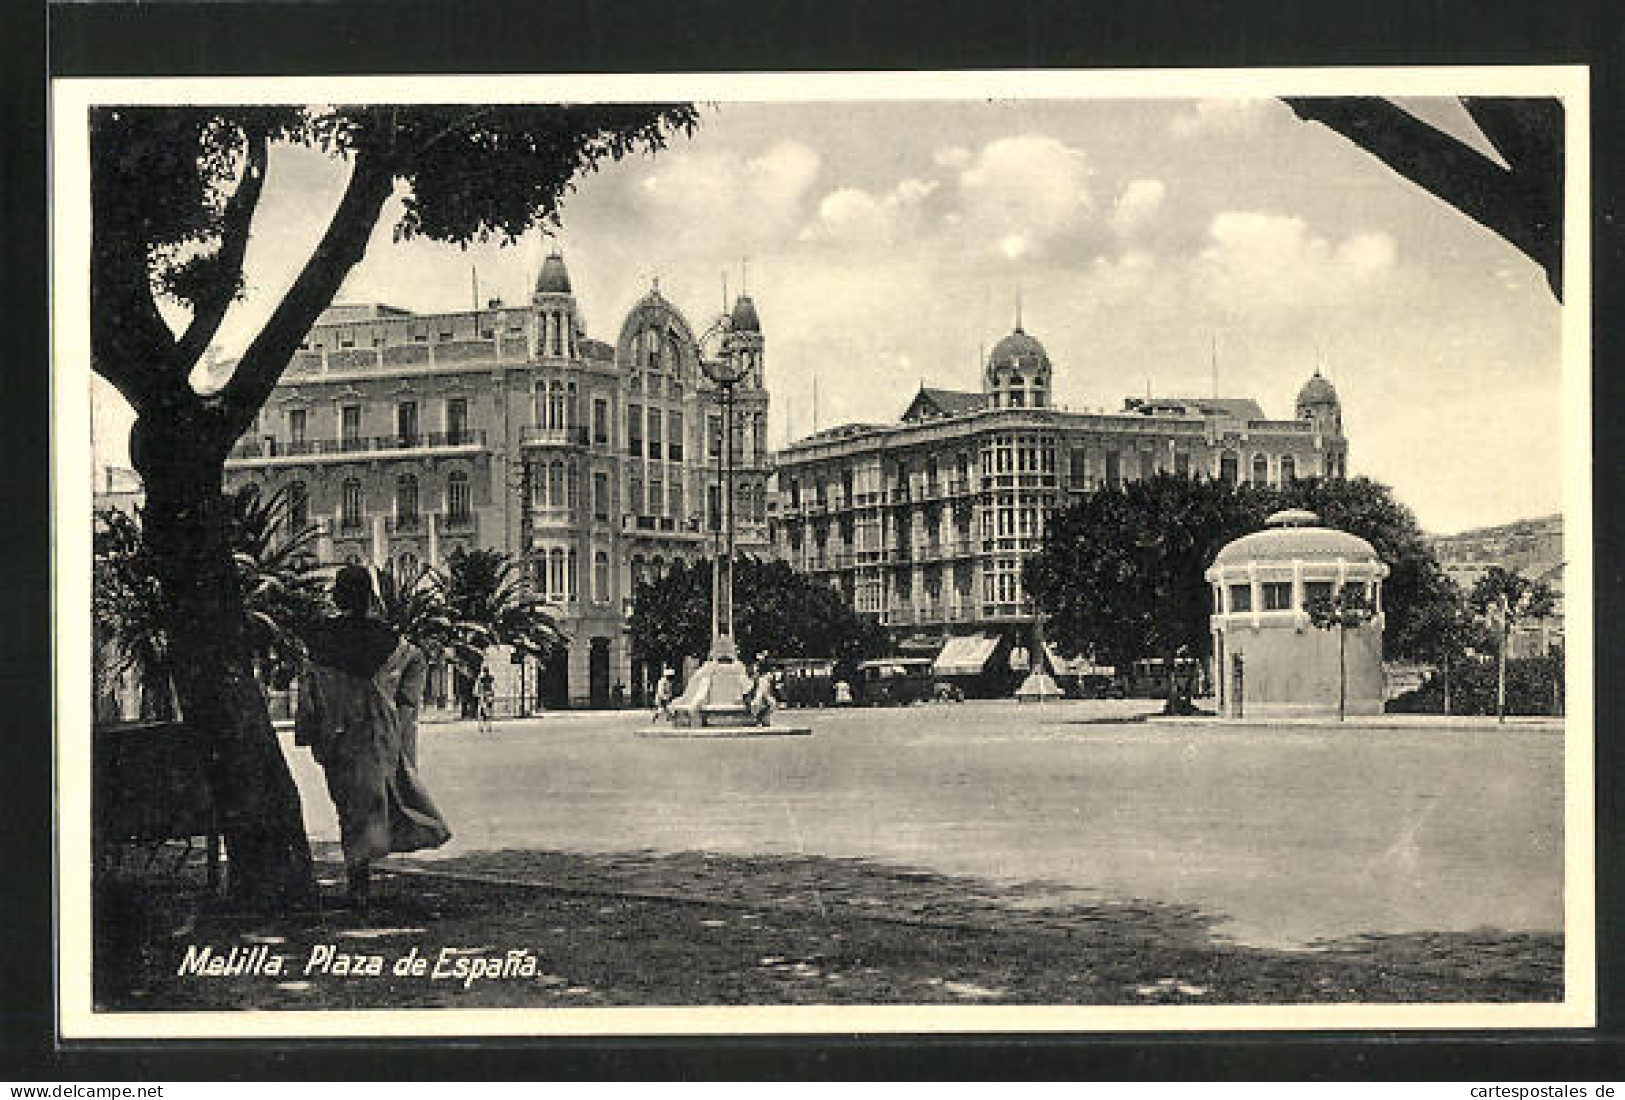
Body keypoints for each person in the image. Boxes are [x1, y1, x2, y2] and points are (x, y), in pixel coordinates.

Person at [295, 565, 452, 908]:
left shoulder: (320, 640)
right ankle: (362, 878)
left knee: (348, 808)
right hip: (380, 734)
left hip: (338, 736)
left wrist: (310, 732)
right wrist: (403, 709)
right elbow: (416, 664)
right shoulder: (391, 639)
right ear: (369, 597)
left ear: (338, 596)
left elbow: (308, 693)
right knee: (383, 801)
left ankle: (359, 880)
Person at [475, 670, 496, 734]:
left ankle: (486, 726)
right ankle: (484, 726)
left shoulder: (483, 679)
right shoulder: (481, 679)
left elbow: (492, 687)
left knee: (486, 712)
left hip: (485, 696)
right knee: (484, 712)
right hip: (484, 696)